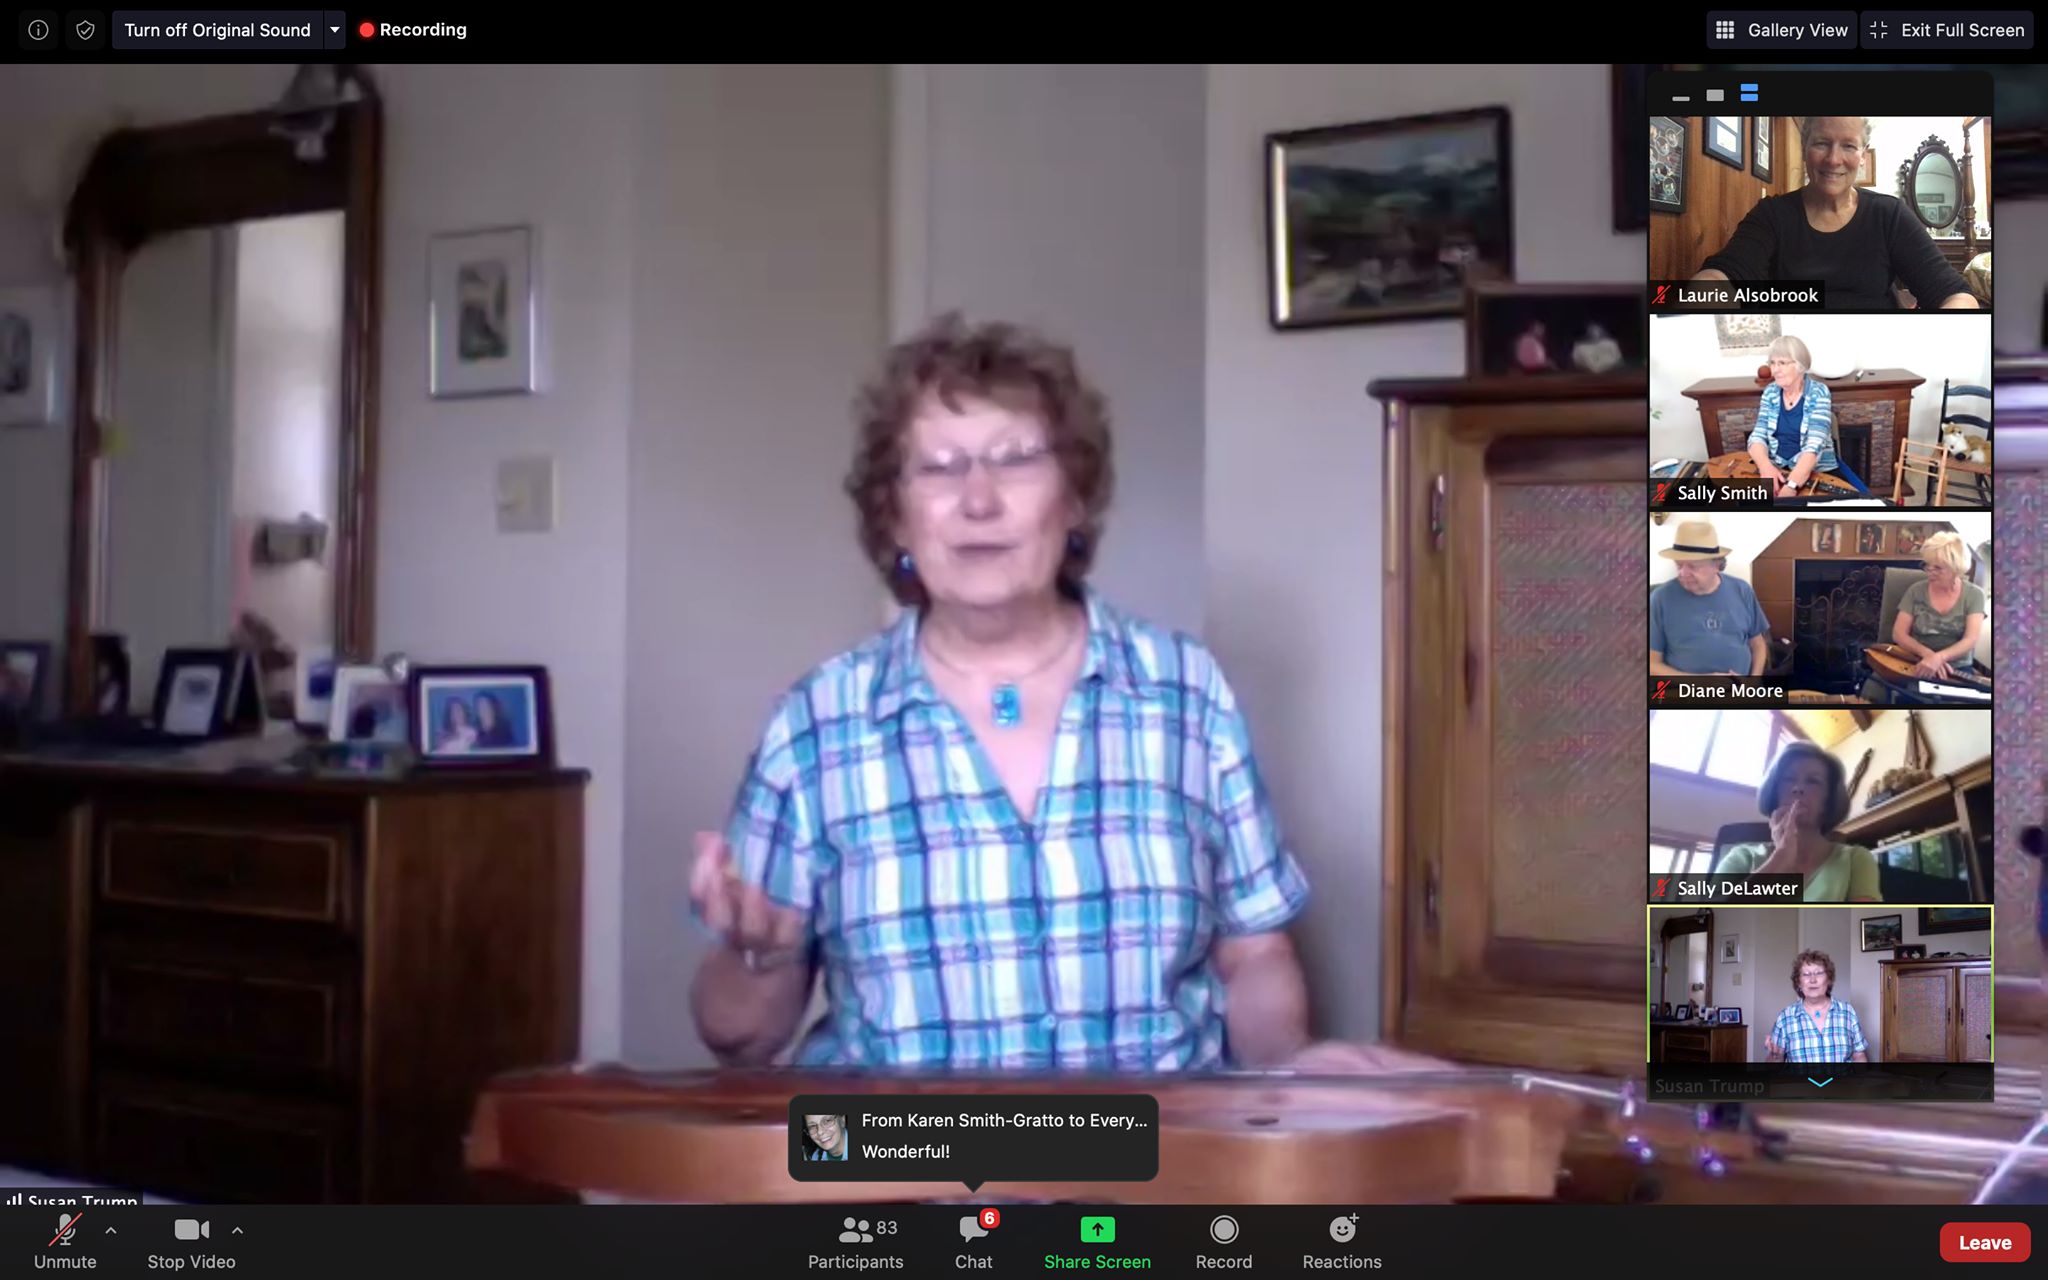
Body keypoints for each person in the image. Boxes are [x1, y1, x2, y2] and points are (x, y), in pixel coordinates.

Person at [687, 313, 1433, 1076]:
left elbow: (1254, 953)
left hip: (1153, 1144)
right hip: (903, 1144)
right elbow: (738, 1040)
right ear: (895, 518)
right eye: (938, 468)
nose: (979, 500)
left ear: (1074, 498)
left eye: (1016, 460)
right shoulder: (817, 724)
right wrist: (759, 959)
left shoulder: (1185, 692)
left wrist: (1290, 1068)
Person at [1690, 116, 1979, 311]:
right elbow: (1723, 275)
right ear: (1804, 147)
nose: (1833, 159)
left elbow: (1955, 294)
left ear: (1862, 155)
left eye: (1848, 146)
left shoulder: (1889, 215)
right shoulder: (1772, 215)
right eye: (1821, 143)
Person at [1712, 742, 1881, 902]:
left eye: (1813, 781)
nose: (1797, 788)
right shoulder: (1742, 856)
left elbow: (1864, 921)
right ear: (1775, 793)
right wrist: (1781, 857)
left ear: (1828, 801)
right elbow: (1711, 916)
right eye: (1788, 779)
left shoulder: (1855, 859)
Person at [1649, 520, 1770, 679]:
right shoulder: (1660, 598)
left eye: (1693, 566)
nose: (1683, 573)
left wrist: (1753, 681)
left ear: (1717, 565)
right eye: (1679, 565)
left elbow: (1758, 644)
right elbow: (1652, 664)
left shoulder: (1742, 590)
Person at [1745, 337, 1863, 497]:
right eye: (1772, 363)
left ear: (1800, 366)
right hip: (1776, 469)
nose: (1775, 370)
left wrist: (1791, 486)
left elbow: (1814, 445)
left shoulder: (1819, 392)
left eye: (1782, 363)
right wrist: (1766, 468)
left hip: (1816, 471)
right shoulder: (1770, 392)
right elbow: (1757, 436)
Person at [1891, 530, 1985, 680]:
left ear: (1956, 568)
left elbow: (1970, 639)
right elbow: (1899, 634)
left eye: (1938, 568)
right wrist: (1928, 655)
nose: (1930, 572)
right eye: (1928, 566)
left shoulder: (1975, 595)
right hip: (1916, 661)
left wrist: (1939, 658)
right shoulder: (1915, 591)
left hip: (1957, 667)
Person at [1764, 950, 1870, 1062]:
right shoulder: (1785, 1017)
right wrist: (1774, 1056)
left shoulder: (1847, 1012)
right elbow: (1774, 1064)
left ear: (1829, 979)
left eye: (1819, 973)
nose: (1813, 980)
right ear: (1798, 982)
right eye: (1806, 974)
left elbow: (1859, 1055)